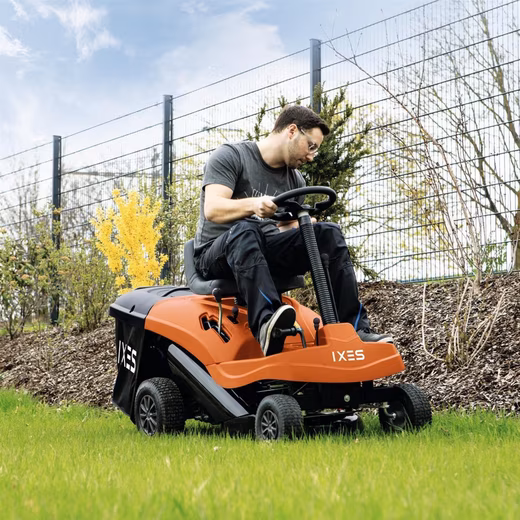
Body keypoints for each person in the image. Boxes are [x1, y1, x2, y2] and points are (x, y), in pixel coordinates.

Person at [194, 105, 392, 356]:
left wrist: (305, 230)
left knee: (328, 233)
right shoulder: (232, 156)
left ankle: (354, 329)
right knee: (246, 230)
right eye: (311, 146)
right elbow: (213, 208)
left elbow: (285, 229)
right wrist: (253, 205)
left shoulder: (295, 180)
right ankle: (268, 324)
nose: (311, 157)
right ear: (292, 131)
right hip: (216, 254)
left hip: (262, 251)